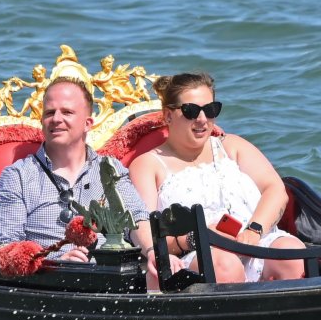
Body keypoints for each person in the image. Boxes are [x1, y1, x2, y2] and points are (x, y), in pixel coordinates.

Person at [128, 72, 306, 284]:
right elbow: (142, 228)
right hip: (194, 256)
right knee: (225, 265)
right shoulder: (148, 164)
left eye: (210, 110)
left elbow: (275, 190)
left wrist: (253, 231)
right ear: (168, 115)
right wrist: (196, 239)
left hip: (255, 241)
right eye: (191, 111)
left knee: (293, 253)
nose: (202, 119)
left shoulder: (233, 146)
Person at [0, 77, 158, 269]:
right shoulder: (17, 176)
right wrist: (56, 264)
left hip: (108, 275)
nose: (56, 119)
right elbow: (6, 248)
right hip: (47, 284)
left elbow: (135, 218)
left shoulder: (111, 169)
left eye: (67, 112)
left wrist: (153, 253)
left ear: (87, 123)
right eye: (50, 112)